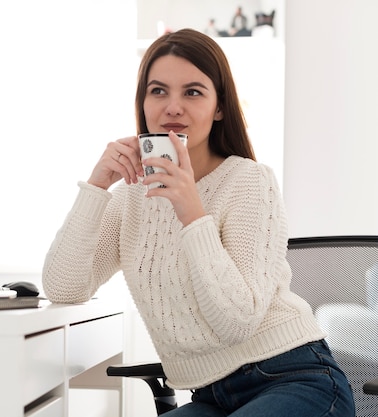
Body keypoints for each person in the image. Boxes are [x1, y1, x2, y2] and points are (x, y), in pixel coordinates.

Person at [42, 28, 355, 416]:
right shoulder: (129, 201)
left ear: (219, 107)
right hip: (210, 397)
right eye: (158, 91)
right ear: (142, 103)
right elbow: (63, 286)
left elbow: (236, 322)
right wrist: (96, 187)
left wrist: (190, 208)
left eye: (192, 92)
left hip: (295, 379)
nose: (173, 107)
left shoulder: (249, 182)